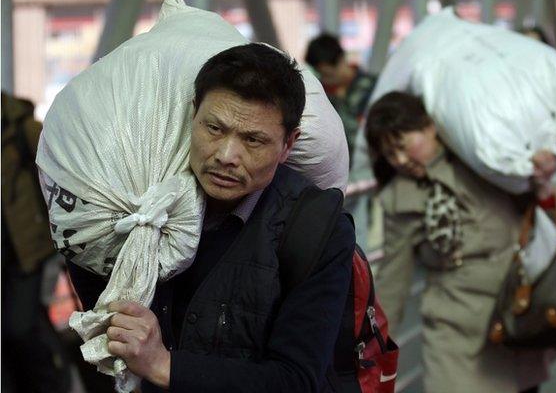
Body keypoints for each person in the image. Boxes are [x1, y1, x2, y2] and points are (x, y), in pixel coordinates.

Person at [65, 43, 355, 392]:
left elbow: (295, 380)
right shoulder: (143, 204)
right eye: (214, 129)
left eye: (253, 140)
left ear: (288, 144)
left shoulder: (315, 229)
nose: (226, 155)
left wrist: (163, 365)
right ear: (193, 116)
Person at [365, 92, 556, 393]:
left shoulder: (485, 160)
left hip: (513, 311)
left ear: (429, 126)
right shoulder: (400, 198)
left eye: (403, 146)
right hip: (454, 323)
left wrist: (541, 171)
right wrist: (373, 350)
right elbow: (394, 279)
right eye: (390, 154)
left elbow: (530, 204)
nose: (400, 160)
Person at [1, 91, 71, 393]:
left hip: (27, 253)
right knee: (18, 332)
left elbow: (58, 183)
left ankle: (53, 384)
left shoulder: (22, 128)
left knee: (19, 328)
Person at [305, 33, 376, 160]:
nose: (325, 80)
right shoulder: (320, 95)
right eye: (320, 74)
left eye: (328, 74)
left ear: (342, 60)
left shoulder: (372, 87)